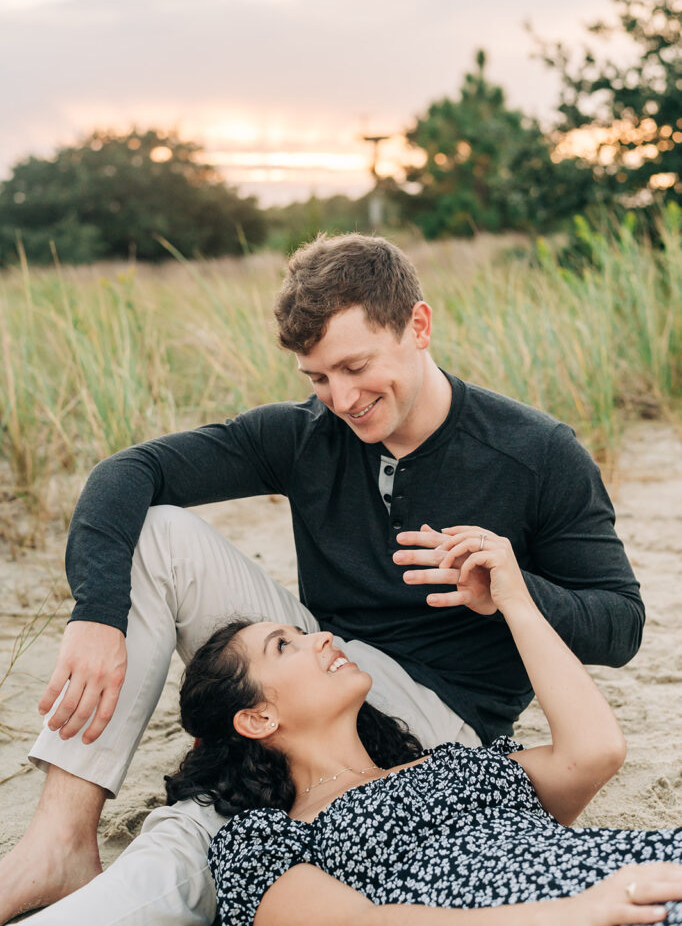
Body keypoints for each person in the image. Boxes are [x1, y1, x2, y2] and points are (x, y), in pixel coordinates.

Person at [0, 234, 644, 924]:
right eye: (317, 377)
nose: (341, 398)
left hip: (438, 718)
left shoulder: (537, 453)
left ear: (418, 327)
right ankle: (62, 836)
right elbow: (128, 472)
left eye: (355, 366)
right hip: (324, 657)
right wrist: (97, 614)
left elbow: (621, 624)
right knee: (160, 535)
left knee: (215, 823)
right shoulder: (306, 435)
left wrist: (512, 592)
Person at [170, 533, 681, 926]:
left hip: (636, 869)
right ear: (258, 718)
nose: (321, 638)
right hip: (577, 909)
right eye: (283, 646)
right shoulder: (264, 839)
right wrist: (574, 912)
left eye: (303, 633)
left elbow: (595, 751)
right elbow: (361, 923)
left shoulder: (454, 760)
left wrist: (515, 602)